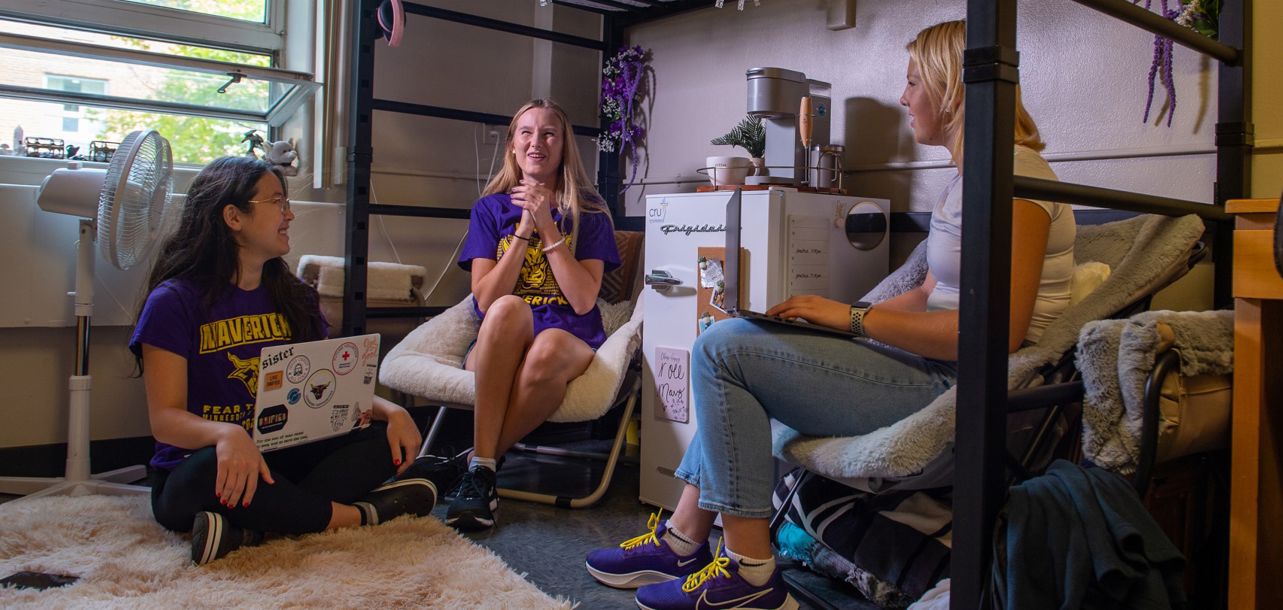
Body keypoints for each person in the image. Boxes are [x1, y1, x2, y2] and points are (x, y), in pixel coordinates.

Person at [583, 19, 1076, 610]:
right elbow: (928, 293)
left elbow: (994, 333)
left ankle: (748, 573)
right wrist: (822, 325)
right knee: (736, 338)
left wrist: (851, 321)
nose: (903, 97)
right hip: (921, 363)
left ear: (951, 88)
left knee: (722, 352)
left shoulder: (1017, 177)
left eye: (914, 81)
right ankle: (684, 540)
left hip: (957, 389)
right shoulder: (967, 180)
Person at [131, 156, 436, 566]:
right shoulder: (173, 302)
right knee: (208, 473)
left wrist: (391, 410)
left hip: (280, 455)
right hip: (198, 466)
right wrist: (226, 435)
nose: (289, 214)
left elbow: (327, 392)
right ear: (233, 216)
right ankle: (359, 516)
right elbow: (165, 419)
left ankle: (251, 527)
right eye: (277, 202)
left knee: (382, 440)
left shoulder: (295, 297)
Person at [441, 99, 621, 531]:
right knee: (506, 306)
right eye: (526, 132)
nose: (536, 142)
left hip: (567, 336)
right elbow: (484, 302)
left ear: (563, 147)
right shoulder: (489, 210)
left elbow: (582, 301)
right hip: (501, 339)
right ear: (513, 145)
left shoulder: (591, 212)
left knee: (548, 347)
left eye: (548, 133)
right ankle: (481, 468)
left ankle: (474, 468)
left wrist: (548, 224)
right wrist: (523, 228)